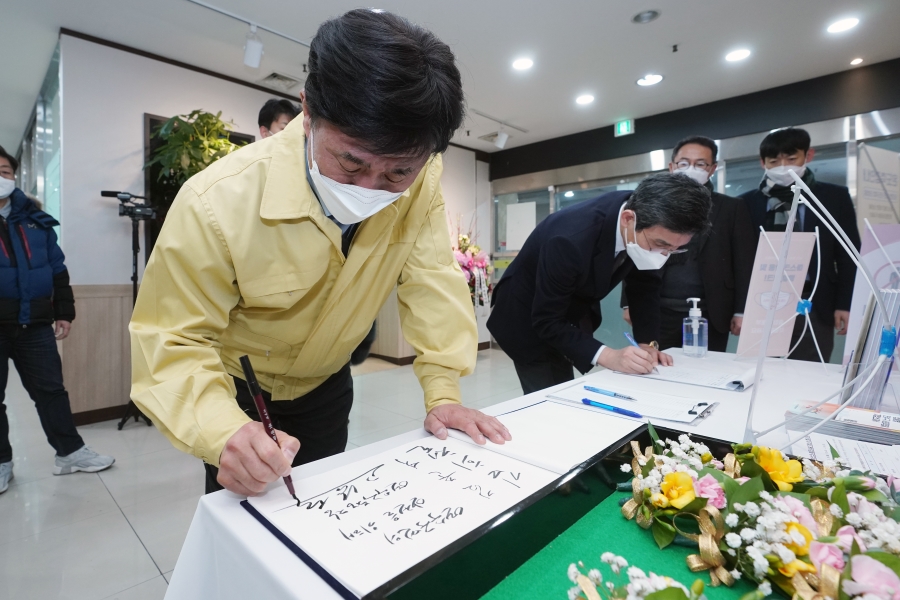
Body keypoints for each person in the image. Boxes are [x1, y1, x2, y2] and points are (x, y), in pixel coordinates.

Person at [130, 9, 511, 497]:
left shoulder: (423, 187)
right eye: (351, 161)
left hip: (327, 387)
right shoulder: (218, 199)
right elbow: (171, 338)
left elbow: (432, 283)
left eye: (399, 172)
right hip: (240, 395)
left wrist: (442, 394)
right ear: (308, 110)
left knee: (323, 510)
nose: (371, 188)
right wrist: (222, 431)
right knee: (252, 520)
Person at [488, 173, 712, 395]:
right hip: (524, 316)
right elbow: (547, 320)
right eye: (659, 245)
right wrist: (609, 356)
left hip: (569, 308)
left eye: (674, 249)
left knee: (566, 382)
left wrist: (647, 344)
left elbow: (645, 288)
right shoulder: (569, 239)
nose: (663, 255)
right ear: (627, 219)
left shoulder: (645, 221)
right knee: (552, 393)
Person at [0, 146, 114, 494]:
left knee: (51, 391)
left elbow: (57, 269)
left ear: (14, 175)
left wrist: (64, 312)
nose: (0, 177)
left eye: (4, 170)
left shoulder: (37, 220)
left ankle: (70, 453)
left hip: (34, 323)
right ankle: (2, 463)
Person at [622, 136, 756, 352]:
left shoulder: (732, 207)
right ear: (672, 166)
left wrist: (741, 310)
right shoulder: (654, 201)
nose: (691, 168)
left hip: (712, 310)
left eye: (700, 164)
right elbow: (634, 246)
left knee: (707, 370)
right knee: (657, 366)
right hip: (658, 308)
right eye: (684, 163)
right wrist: (629, 301)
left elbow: (744, 261)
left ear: (712, 169)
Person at [740, 127, 859, 362]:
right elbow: (740, 258)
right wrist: (740, 309)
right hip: (763, 301)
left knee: (810, 371)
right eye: (774, 161)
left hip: (815, 300)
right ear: (762, 163)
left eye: (791, 158)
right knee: (762, 371)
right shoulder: (746, 203)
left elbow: (848, 254)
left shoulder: (834, 197)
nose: (783, 166)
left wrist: (845, 303)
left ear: (808, 155)